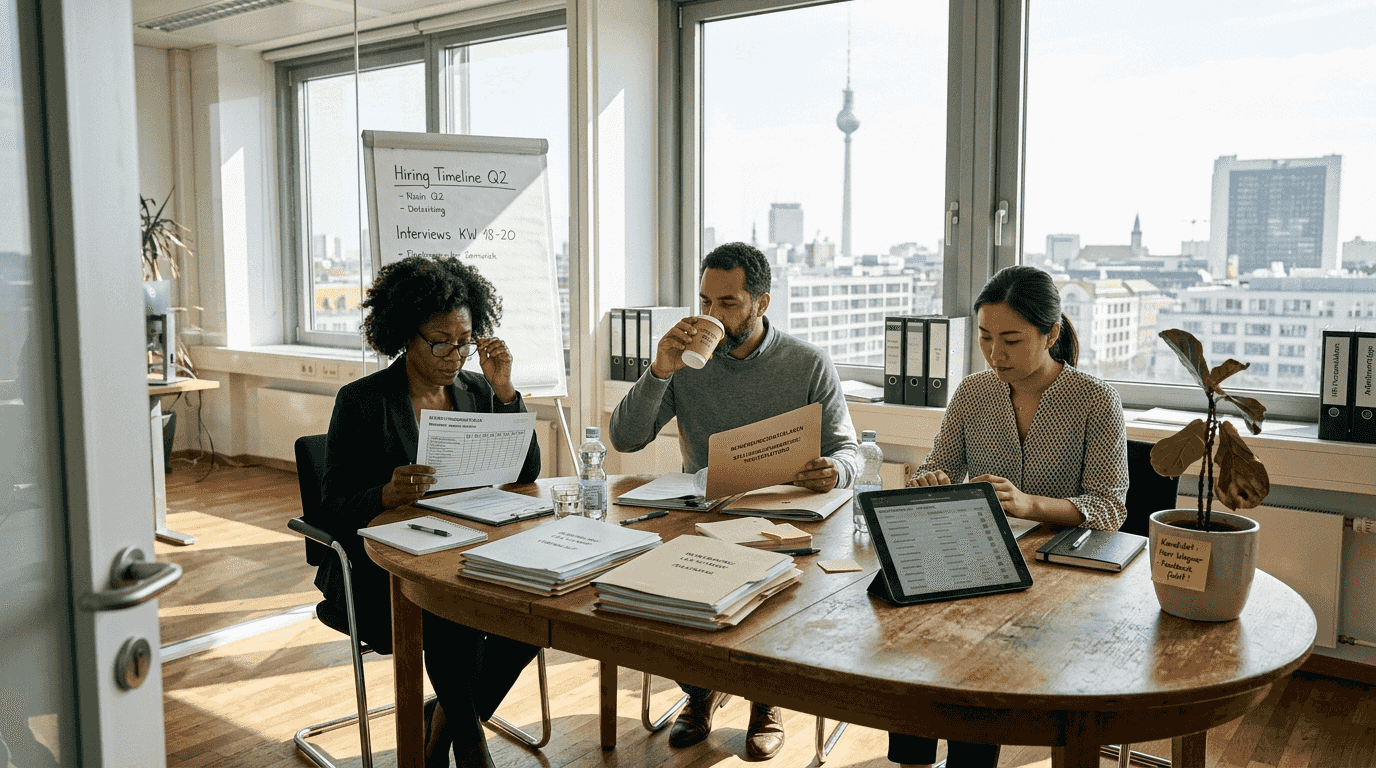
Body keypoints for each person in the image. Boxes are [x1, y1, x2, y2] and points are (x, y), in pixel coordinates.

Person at [608, 241, 861, 760]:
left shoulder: (807, 363)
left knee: (774, 592)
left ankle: (765, 699)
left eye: (727, 304)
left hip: (780, 519)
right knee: (659, 590)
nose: (711, 317)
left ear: (761, 304)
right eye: (705, 302)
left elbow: (849, 450)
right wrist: (660, 369)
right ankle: (699, 692)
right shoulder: (685, 364)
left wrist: (834, 469)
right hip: (705, 513)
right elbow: (626, 438)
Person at [890, 265, 1128, 767]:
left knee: (979, 660)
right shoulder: (973, 393)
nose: (995, 354)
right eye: (985, 337)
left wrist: (1030, 505)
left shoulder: (1094, 400)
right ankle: (911, 759)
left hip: (1058, 577)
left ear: (1051, 334)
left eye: (1013, 340)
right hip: (976, 558)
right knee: (915, 634)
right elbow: (939, 467)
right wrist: (932, 481)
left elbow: (1110, 509)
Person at [316, 256, 542, 768]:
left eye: (465, 340)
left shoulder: (479, 390)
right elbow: (330, 506)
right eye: (440, 341)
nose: (455, 354)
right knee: (449, 613)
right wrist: (385, 494)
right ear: (405, 336)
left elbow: (526, 469)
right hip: (382, 570)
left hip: (469, 545)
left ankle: (441, 721)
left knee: (531, 616)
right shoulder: (363, 402)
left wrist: (506, 391)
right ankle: (470, 744)